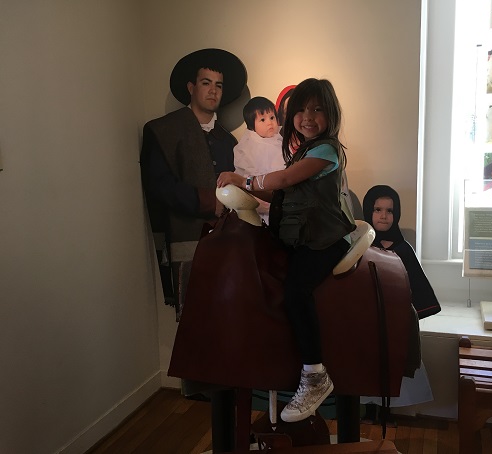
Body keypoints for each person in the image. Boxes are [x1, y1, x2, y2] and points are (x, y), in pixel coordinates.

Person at [217, 78, 355, 423]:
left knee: (296, 291)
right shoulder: (301, 150)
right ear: (292, 114)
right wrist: (248, 192)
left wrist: (243, 181)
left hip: (324, 239)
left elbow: (280, 181)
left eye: (318, 109)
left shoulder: (325, 150)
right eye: (303, 109)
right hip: (303, 236)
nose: (309, 116)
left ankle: (315, 375)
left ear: (330, 115)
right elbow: (281, 194)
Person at [140, 48, 246, 319]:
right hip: (185, 238)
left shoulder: (230, 142)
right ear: (191, 87)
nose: (213, 91)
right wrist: (210, 202)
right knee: (195, 323)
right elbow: (159, 185)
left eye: (218, 85)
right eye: (206, 83)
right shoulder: (163, 131)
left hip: (227, 245)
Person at [359, 185, 441, 426]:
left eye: (389, 210)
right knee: (367, 365)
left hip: (394, 321)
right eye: (377, 209)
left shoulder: (403, 249)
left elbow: (414, 283)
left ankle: (387, 412)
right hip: (366, 319)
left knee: (393, 366)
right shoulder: (359, 244)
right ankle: (367, 412)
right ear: (368, 211)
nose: (383, 215)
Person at [233, 96, 285, 224]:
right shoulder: (247, 146)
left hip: (280, 196)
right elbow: (244, 173)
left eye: (272, 117)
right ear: (252, 126)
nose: (269, 122)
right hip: (257, 197)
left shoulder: (280, 141)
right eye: (262, 119)